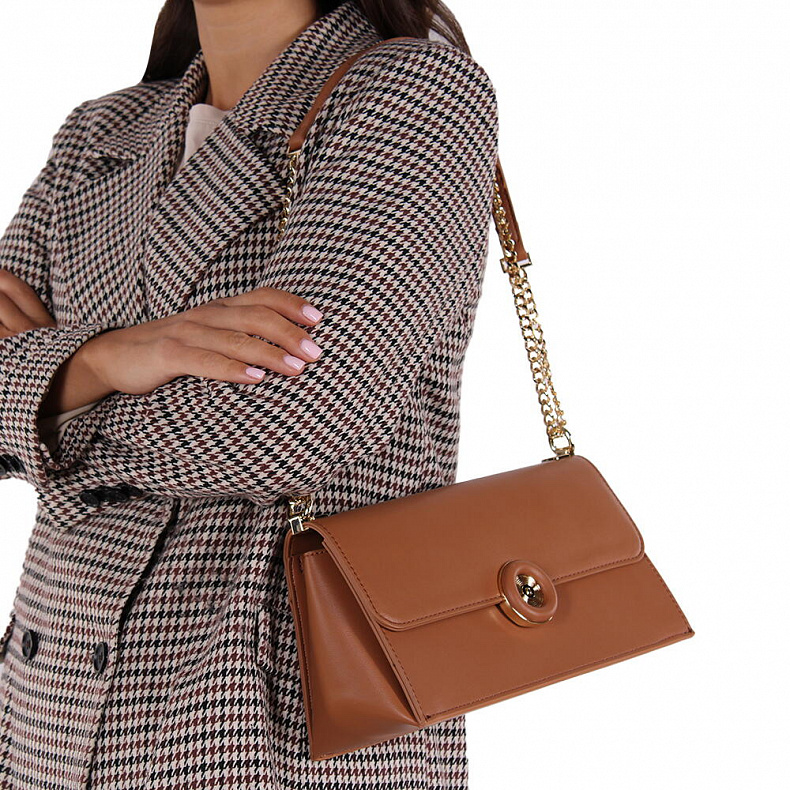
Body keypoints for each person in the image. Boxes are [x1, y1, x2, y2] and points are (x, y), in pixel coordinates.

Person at [0, 0, 498, 786]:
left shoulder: (411, 92)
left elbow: (285, 429)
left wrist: (49, 396)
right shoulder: (101, 134)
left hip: (260, 722)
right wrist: (105, 358)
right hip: (46, 721)